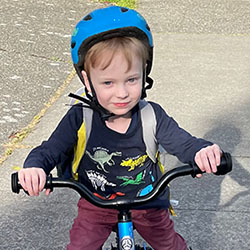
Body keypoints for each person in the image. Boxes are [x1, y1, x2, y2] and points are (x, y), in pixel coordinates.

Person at [18, 6, 222, 250]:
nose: (122, 93)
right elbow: (50, 150)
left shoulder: (151, 115)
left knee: (170, 246)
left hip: (148, 203)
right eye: (108, 82)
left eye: (131, 79)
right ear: (87, 80)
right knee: (80, 246)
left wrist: (202, 152)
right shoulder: (80, 118)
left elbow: (184, 143)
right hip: (96, 203)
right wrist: (34, 168)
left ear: (144, 72)